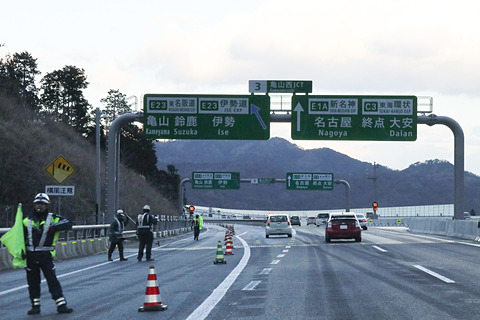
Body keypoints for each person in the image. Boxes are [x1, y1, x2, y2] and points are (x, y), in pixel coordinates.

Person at [23, 193, 73, 315]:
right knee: (33, 282)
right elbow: (19, 238)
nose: (39, 206)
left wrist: (54, 227)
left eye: (42, 204)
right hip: (30, 255)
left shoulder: (54, 218)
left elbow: (68, 223)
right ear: (34, 205)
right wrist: (21, 251)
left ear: (47, 205)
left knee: (52, 280)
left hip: (46, 255)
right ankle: (35, 306)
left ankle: (61, 305)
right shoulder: (26, 220)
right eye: (37, 204)